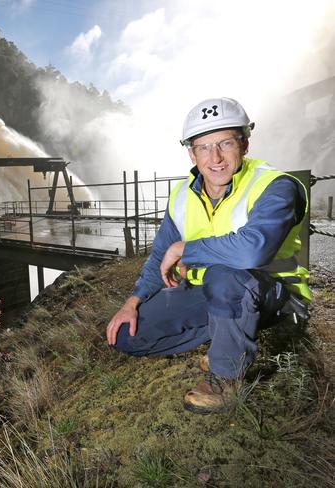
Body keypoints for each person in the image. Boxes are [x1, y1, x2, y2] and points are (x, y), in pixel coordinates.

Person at [105, 97, 311, 414]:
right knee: (126, 335)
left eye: (225, 143)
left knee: (224, 273)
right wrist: (133, 301)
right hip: (211, 294)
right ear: (192, 153)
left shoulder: (275, 186)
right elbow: (161, 254)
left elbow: (253, 249)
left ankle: (226, 376)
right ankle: (229, 344)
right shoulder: (183, 196)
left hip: (274, 295)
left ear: (244, 143)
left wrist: (188, 249)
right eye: (203, 147)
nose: (215, 157)